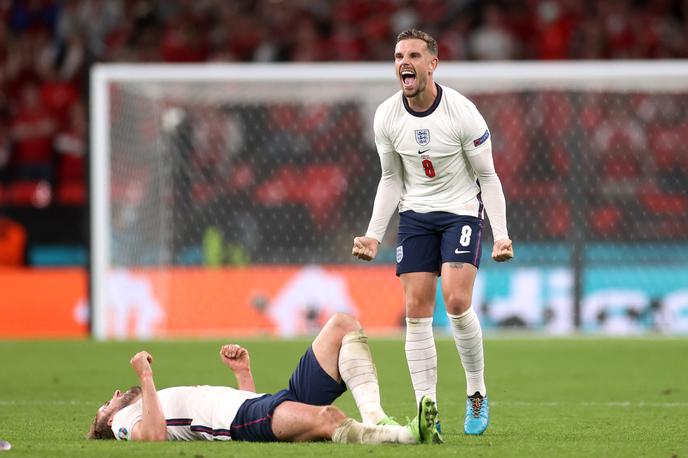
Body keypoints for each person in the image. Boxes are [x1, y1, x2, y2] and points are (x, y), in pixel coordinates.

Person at [352, 29, 514, 436]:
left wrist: (502, 233)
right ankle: (429, 409)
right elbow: (390, 179)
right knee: (416, 311)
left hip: (461, 211)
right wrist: (374, 234)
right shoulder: (386, 116)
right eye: (398, 55)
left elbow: (488, 177)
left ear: (432, 64)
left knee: (457, 301)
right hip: (416, 216)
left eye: (413, 55)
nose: (403, 61)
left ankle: (476, 392)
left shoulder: (462, 113)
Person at [87, 313, 441, 445]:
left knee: (342, 325)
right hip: (244, 421)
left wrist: (243, 375)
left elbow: (243, 410)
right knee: (328, 419)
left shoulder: (145, 405)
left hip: (256, 407)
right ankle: (407, 436)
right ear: (108, 422)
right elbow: (152, 438)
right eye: (106, 405)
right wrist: (145, 376)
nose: (114, 395)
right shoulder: (124, 421)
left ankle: (376, 417)